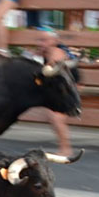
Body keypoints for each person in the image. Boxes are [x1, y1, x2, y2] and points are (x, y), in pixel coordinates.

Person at [36, 28, 75, 156]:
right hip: (59, 88)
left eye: (44, 40)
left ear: (54, 41)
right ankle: (64, 147)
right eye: (40, 40)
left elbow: (48, 71)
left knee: (55, 116)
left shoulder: (57, 52)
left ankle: (66, 149)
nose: (41, 43)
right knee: (52, 114)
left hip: (72, 89)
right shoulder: (46, 53)